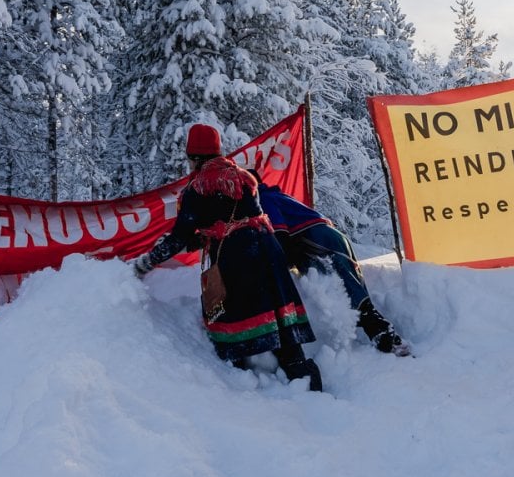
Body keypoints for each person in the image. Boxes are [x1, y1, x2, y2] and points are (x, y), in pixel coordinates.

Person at [132, 124, 324, 391]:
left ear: (196, 158)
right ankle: (302, 377)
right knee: (277, 309)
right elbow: (238, 216)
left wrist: (147, 262)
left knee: (229, 315)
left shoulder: (197, 189)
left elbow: (179, 236)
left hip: (237, 256)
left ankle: (237, 383)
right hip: (267, 246)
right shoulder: (244, 178)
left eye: (189, 158)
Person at [251, 171, 411, 356]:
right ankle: (383, 336)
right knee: (351, 287)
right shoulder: (276, 195)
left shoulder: (264, 199)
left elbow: (281, 237)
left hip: (316, 239)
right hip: (329, 236)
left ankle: (387, 339)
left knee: (347, 288)